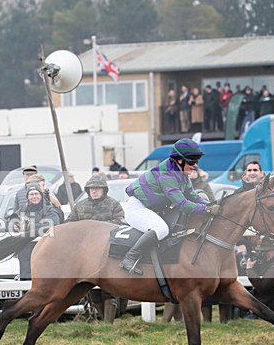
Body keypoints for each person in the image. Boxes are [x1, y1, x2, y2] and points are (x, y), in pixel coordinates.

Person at [120, 138, 217, 275]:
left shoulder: (182, 174)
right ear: (179, 160)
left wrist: (212, 205)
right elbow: (182, 204)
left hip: (151, 209)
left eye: (196, 161)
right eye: (191, 161)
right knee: (161, 229)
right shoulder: (166, 176)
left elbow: (193, 196)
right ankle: (130, 257)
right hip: (137, 208)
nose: (195, 166)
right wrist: (206, 210)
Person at [65, 175, 125, 322]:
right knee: (92, 291)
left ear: (104, 190)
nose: (94, 191)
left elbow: (120, 221)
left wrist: (98, 228)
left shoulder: (113, 204)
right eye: (91, 189)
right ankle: (104, 320)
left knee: (108, 289)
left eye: (97, 188)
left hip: (108, 252)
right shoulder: (80, 206)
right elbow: (69, 224)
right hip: (86, 255)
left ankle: (109, 323)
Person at [15, 182, 61, 280]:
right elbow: (9, 221)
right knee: (26, 282)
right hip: (26, 253)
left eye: (36, 194)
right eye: (31, 194)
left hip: (45, 250)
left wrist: (29, 226)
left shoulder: (49, 209)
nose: (34, 196)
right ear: (27, 197)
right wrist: (13, 226)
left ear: (41, 195)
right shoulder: (23, 210)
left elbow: (53, 224)